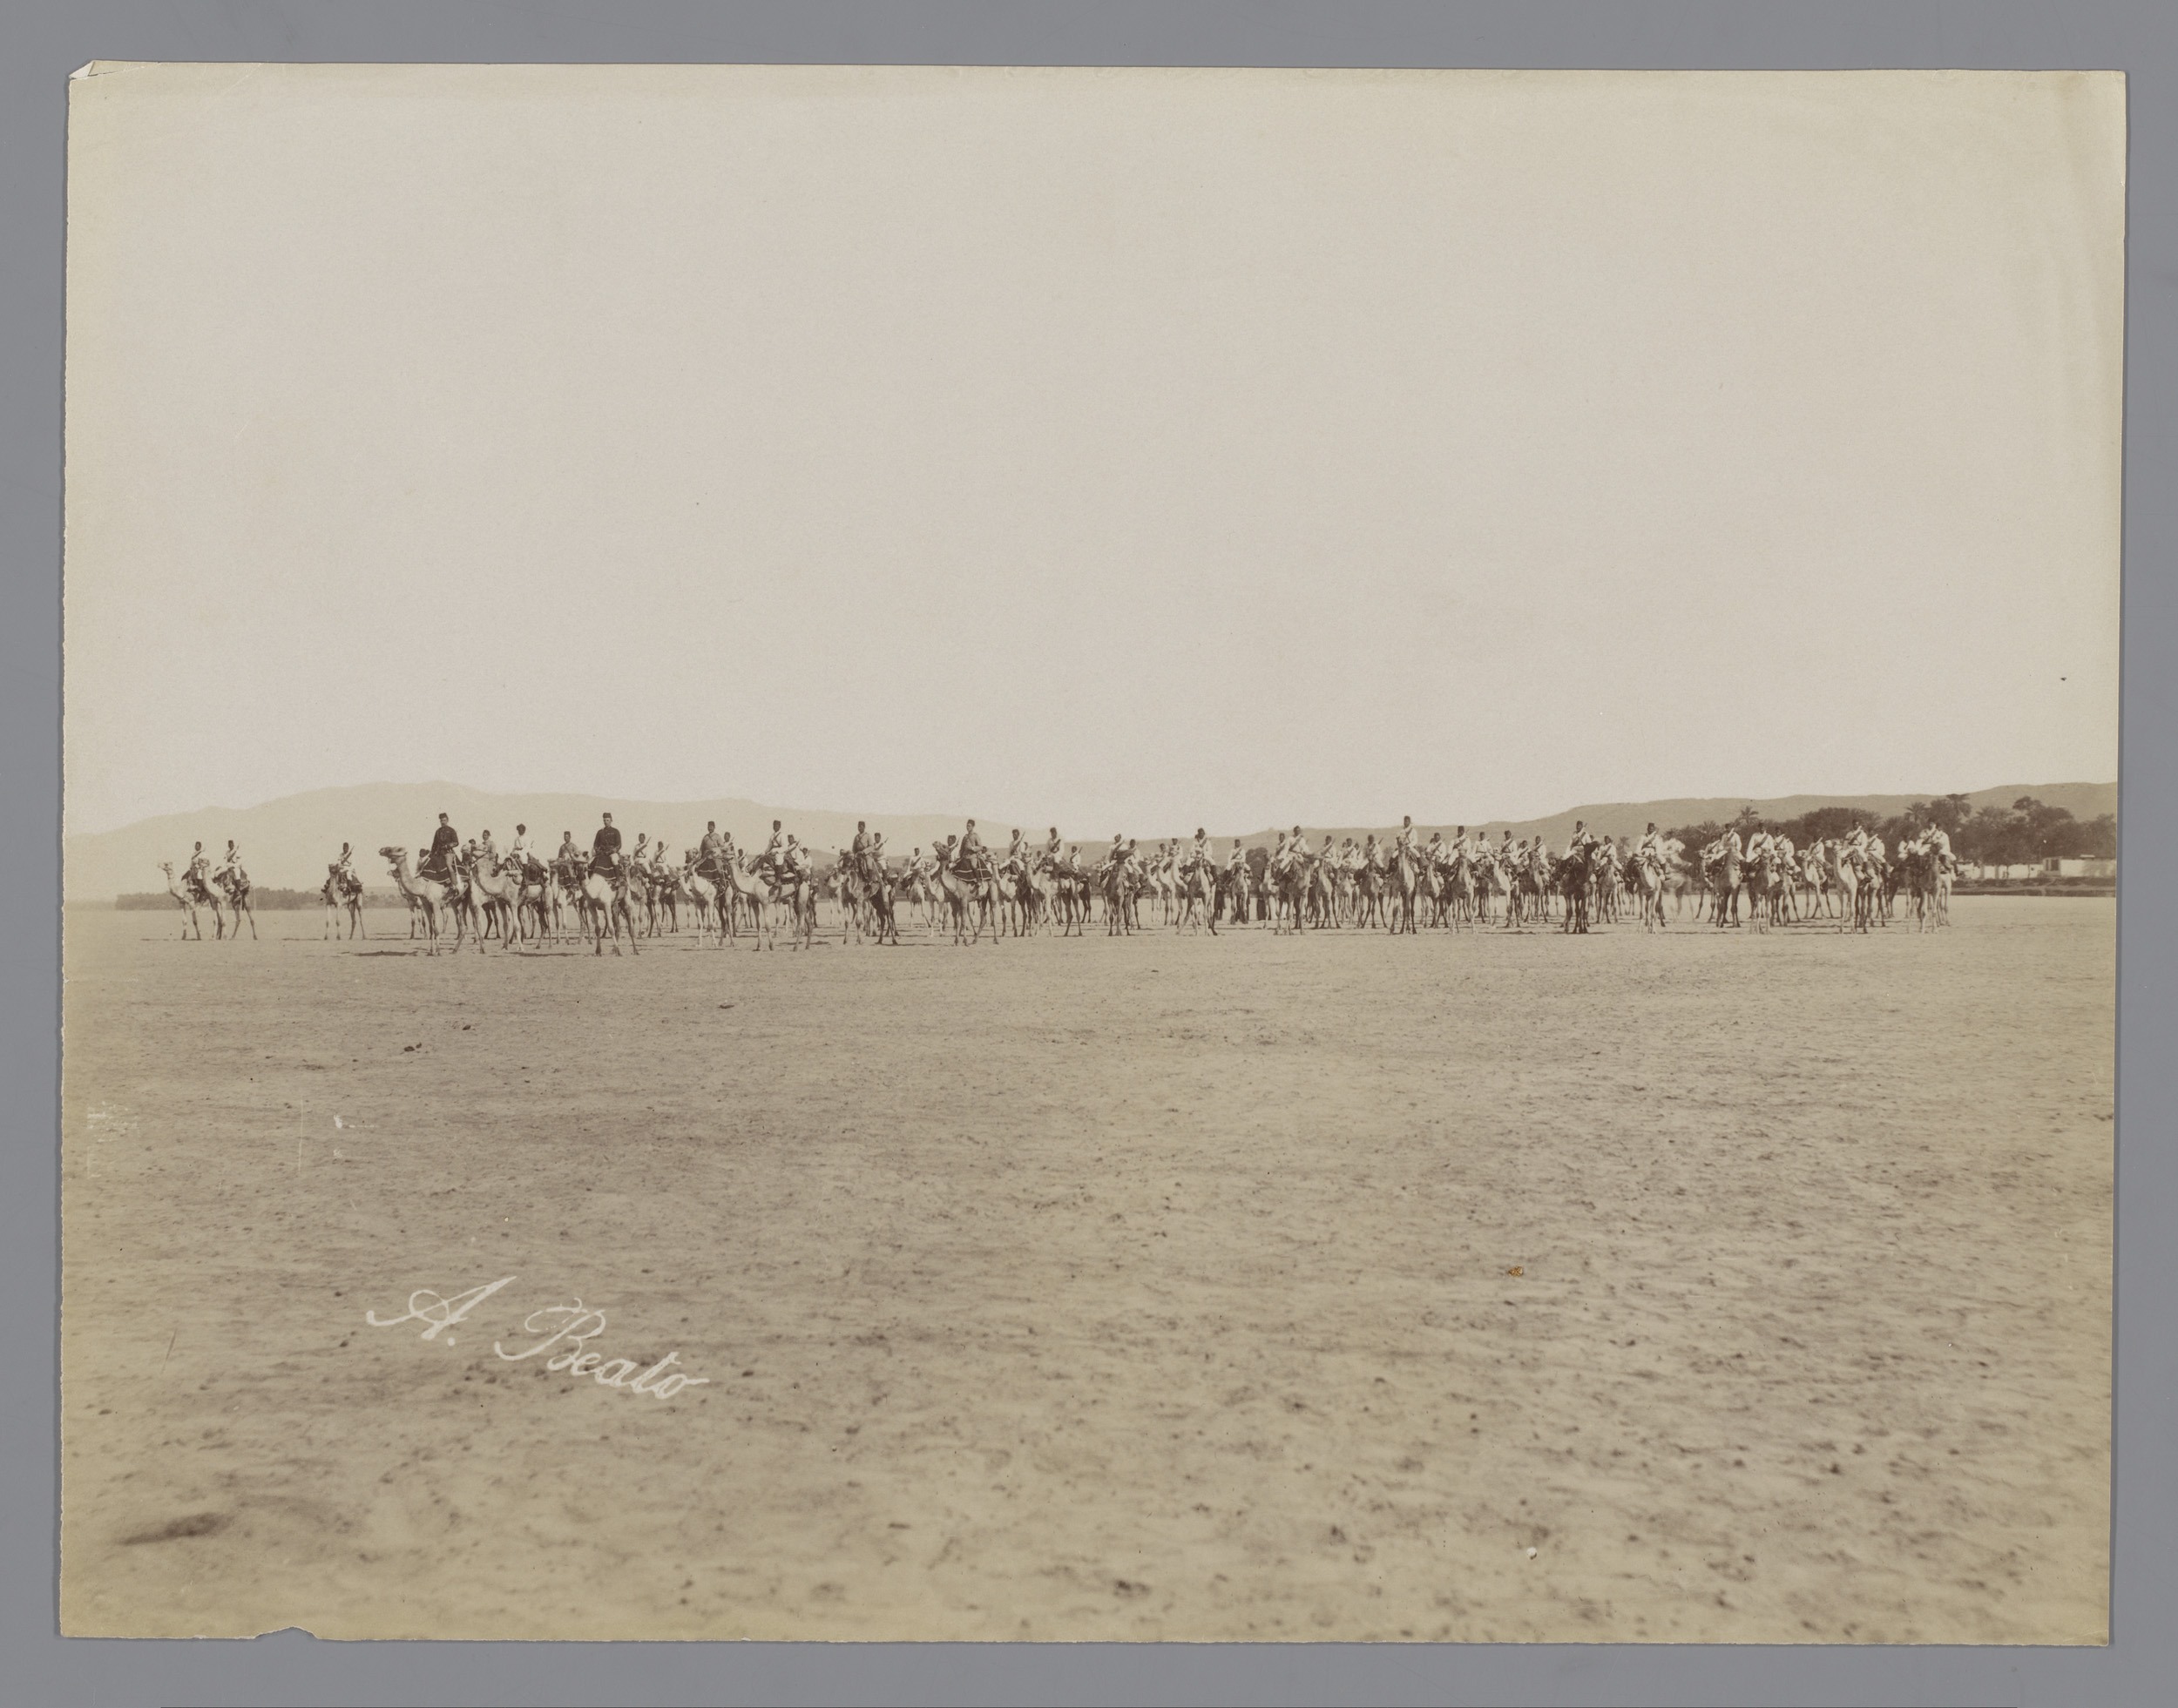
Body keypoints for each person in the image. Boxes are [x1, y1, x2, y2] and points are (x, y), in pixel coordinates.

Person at [427, 813, 460, 883]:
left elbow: (456, 842)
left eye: (444, 820)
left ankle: (454, 884)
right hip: (439, 853)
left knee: (448, 865)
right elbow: (434, 843)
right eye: (441, 820)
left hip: (448, 852)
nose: (443, 822)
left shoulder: (451, 830)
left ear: (447, 820)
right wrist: (432, 852)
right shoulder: (438, 831)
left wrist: (447, 846)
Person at [590, 812, 623, 877]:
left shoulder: (615, 831)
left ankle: (618, 879)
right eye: (604, 820)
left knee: (614, 860)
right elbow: (596, 844)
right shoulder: (600, 832)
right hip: (602, 852)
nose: (606, 822)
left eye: (607, 820)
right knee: (590, 862)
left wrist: (612, 851)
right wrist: (597, 850)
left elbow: (619, 844)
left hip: (612, 852)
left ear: (611, 820)